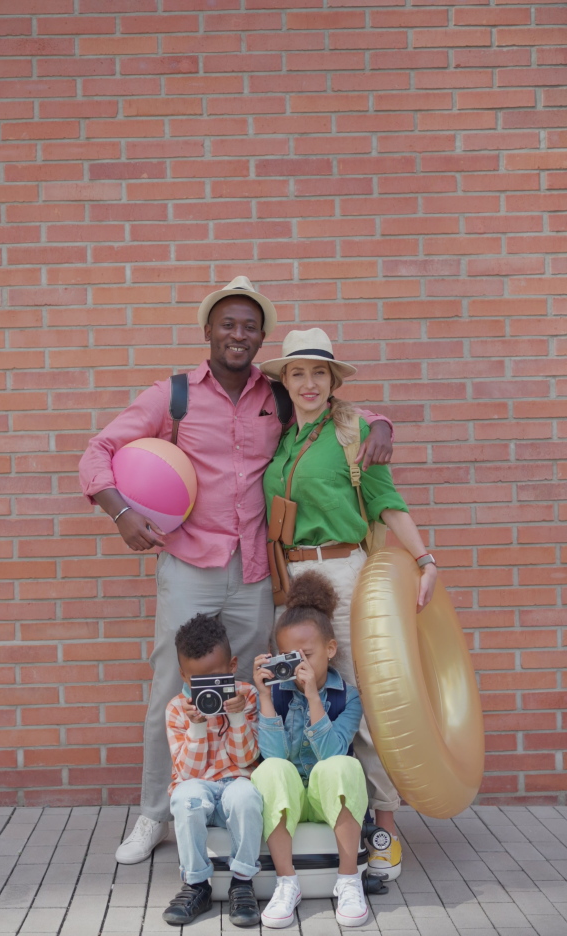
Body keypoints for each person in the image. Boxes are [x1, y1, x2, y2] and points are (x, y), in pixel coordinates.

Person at [79, 278, 393, 864]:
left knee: (250, 694)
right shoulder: (172, 395)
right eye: (229, 324)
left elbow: (337, 410)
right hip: (189, 564)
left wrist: (381, 425)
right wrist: (121, 514)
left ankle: (240, 809)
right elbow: (96, 453)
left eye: (250, 326)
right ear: (208, 332)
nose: (239, 334)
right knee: (172, 692)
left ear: (261, 337)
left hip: (254, 573)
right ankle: (154, 815)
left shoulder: (274, 395)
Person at [261, 328, 438, 883]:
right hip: (291, 577)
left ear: (333, 381)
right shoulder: (284, 439)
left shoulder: (354, 431)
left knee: (359, 696)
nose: (308, 383)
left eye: (319, 373)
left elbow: (385, 501)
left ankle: (383, 826)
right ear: (285, 382)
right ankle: (318, 813)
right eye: (297, 373)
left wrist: (425, 557)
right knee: (300, 693)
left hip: (343, 570)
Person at [252, 571, 369, 929]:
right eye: (291, 656)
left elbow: (333, 752)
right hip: (291, 799)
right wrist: (266, 698)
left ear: (331, 650)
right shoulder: (279, 691)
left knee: (344, 767)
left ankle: (349, 881)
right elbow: (274, 759)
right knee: (269, 771)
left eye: (309, 654)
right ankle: (287, 884)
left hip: (323, 798)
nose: (300, 664)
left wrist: (314, 698)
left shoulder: (348, 697)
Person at [162, 612, 263, 927]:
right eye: (197, 681)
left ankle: (242, 882)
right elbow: (188, 775)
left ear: (232, 667)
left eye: (215, 680)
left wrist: (236, 717)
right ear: (183, 674)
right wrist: (196, 727)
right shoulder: (178, 708)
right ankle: (196, 884)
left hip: (235, 784)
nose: (206, 690)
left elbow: (247, 759)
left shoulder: (246, 695)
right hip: (199, 787)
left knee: (248, 795)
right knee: (185, 798)